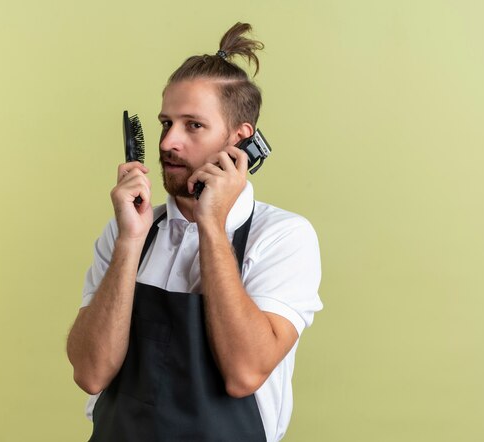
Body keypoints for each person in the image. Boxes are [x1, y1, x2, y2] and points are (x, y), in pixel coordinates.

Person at [67, 22, 323, 442]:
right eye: (166, 123)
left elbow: (244, 373)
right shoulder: (127, 233)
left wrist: (211, 224)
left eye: (193, 126)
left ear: (240, 140)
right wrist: (131, 241)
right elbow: (90, 373)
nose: (169, 142)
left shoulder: (282, 238)